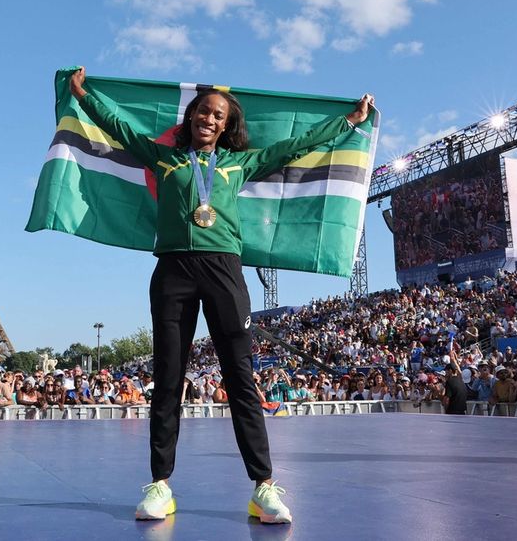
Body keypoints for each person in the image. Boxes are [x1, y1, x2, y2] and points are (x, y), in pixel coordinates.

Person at [69, 66, 374, 524]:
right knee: (168, 379)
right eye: (203, 112)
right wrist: (84, 95)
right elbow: (119, 128)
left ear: (227, 126)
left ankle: (263, 488)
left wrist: (347, 123)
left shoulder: (239, 164)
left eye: (219, 116)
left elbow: (295, 145)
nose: (210, 119)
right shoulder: (162, 157)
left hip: (224, 271)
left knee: (240, 378)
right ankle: (160, 486)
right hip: (172, 269)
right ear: (191, 117)